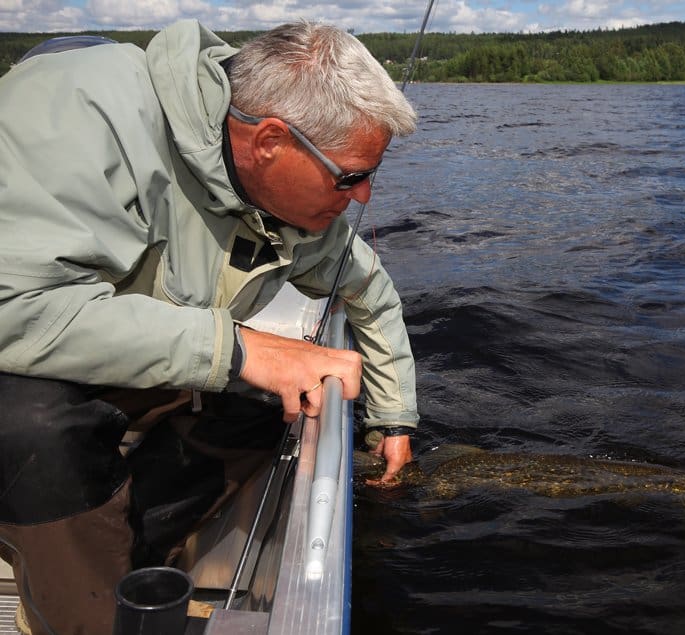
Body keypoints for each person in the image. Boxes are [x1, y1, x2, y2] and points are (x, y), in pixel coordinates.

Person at [0, 19, 419, 634]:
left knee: (277, 403)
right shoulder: (78, 112)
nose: (363, 200)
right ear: (272, 142)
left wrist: (393, 419)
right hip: (22, 368)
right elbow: (17, 305)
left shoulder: (295, 208)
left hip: (130, 361)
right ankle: (76, 615)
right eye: (352, 176)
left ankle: (121, 553)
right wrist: (239, 348)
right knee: (36, 430)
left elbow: (372, 297)